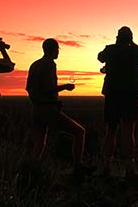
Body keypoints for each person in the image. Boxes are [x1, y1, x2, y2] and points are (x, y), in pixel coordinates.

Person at [26, 38, 92, 178]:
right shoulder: (49, 64)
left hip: (36, 109)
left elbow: (29, 88)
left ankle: (31, 170)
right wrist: (65, 87)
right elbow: (48, 88)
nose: (58, 52)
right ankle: (77, 166)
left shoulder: (35, 65)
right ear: (53, 49)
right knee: (79, 132)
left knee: (39, 143)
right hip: (48, 109)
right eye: (57, 49)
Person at [98, 26, 138, 177]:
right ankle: (130, 168)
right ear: (131, 38)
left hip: (113, 94)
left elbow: (100, 57)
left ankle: (107, 165)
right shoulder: (135, 52)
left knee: (111, 130)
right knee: (128, 130)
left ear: (117, 37)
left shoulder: (110, 50)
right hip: (130, 95)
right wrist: (132, 44)